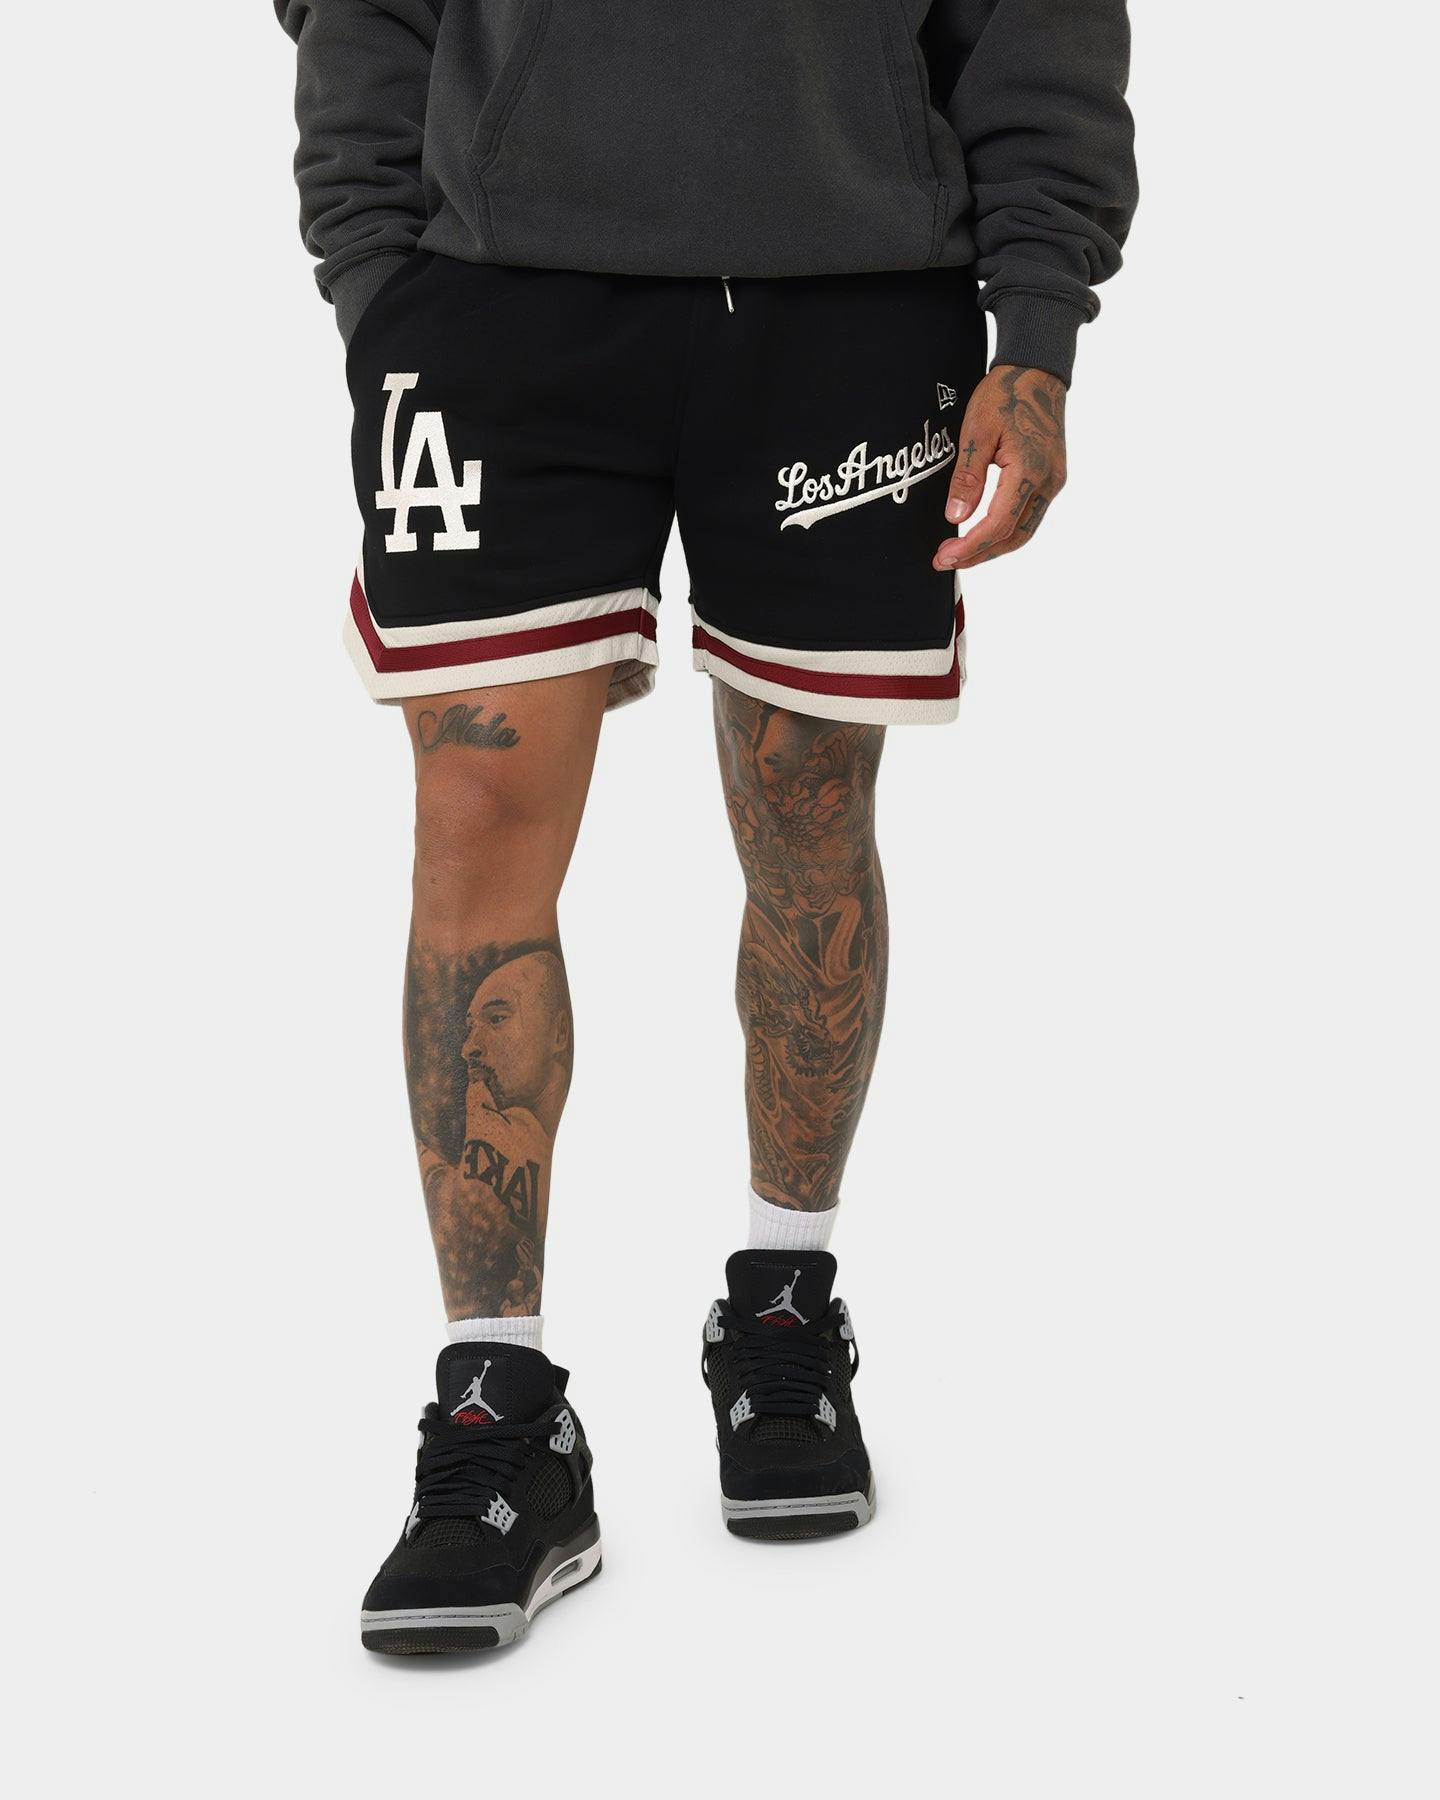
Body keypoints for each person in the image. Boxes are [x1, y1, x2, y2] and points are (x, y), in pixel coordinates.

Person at [275, 0, 1137, 1653]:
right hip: (492, 296)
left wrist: (1037, 328)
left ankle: (783, 1307)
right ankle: (499, 1410)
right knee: (472, 812)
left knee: (806, 810)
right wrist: (374, 265)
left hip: (850, 292)